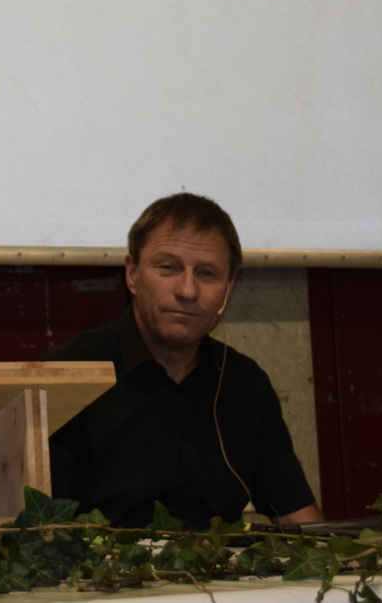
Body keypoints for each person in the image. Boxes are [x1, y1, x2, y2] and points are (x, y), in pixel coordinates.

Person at [41, 193, 321, 529]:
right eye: (168, 267)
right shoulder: (65, 375)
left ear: (229, 286)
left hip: (220, 562)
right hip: (100, 563)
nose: (187, 290)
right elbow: (41, 531)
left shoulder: (245, 382)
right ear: (132, 273)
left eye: (207, 273)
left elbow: (296, 517)